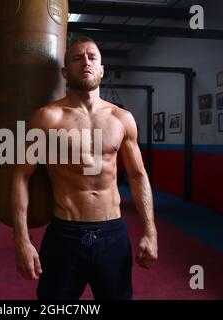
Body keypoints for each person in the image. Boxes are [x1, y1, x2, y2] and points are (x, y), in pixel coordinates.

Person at [10, 36, 158, 300]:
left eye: (92, 57)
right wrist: (21, 239)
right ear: (66, 71)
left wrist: (150, 231)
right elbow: (21, 176)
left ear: (101, 69)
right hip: (65, 236)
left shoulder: (122, 119)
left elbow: (137, 175)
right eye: (77, 58)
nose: (86, 62)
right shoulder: (47, 118)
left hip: (113, 235)